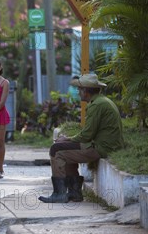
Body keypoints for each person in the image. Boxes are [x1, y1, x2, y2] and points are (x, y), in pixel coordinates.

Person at [39, 74, 124, 203]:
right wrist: (68, 139)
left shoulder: (96, 105)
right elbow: (88, 133)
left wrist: (66, 139)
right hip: (106, 145)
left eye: (79, 89)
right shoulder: (101, 101)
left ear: (85, 91)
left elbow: (86, 135)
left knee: (56, 150)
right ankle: (74, 192)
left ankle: (59, 193)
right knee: (63, 149)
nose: (78, 92)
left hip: (101, 148)